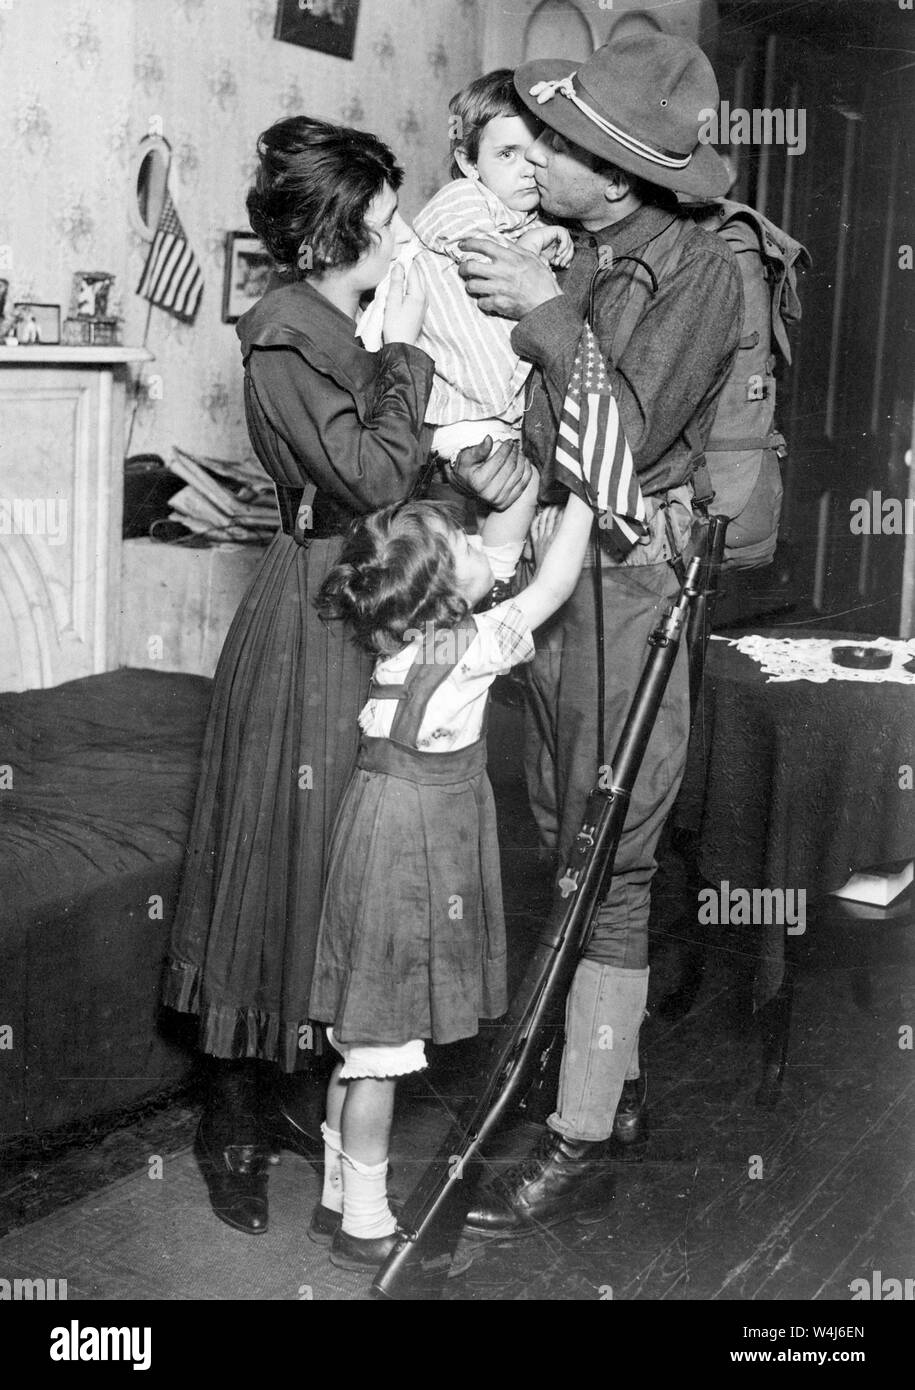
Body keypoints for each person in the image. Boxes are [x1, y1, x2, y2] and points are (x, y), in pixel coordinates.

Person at [161, 115, 531, 1237]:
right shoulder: (284, 328)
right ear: (343, 228)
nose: (397, 231)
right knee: (272, 852)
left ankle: (284, 1091)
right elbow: (371, 469)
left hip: (361, 598)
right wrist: (412, 349)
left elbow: (394, 454)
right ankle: (225, 1114)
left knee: (334, 860)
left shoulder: (332, 316)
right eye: (381, 216)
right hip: (315, 608)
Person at [453, 34, 744, 1236]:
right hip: (563, 582)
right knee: (553, 834)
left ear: (616, 176)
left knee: (609, 862)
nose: (537, 161)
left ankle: (581, 1131)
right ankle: (587, 1082)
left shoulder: (701, 274)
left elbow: (618, 453)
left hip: (631, 582)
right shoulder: (602, 245)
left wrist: (543, 311)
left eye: (554, 146)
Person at [306, 479, 595, 1269]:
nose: (483, 547)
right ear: (444, 589)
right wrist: (586, 504)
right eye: (466, 545)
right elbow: (553, 583)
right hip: (412, 854)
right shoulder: (469, 645)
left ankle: (335, 1199)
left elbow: (493, 557)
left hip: (370, 833)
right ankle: (365, 1221)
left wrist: (526, 486)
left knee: (358, 1040)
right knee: (381, 1052)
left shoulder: (403, 635)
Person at [358, 69, 572, 470]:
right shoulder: (462, 198)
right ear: (469, 163)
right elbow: (489, 262)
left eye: (536, 150)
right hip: (445, 399)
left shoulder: (534, 217)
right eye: (506, 154)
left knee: (516, 484)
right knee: (509, 487)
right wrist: (530, 249)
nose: (527, 168)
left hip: (495, 401)